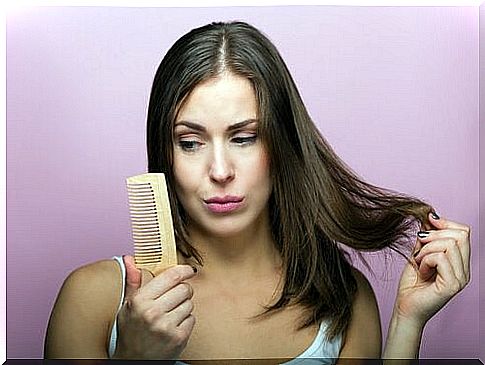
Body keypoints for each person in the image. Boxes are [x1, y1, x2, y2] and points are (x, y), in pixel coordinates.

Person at [44, 21, 471, 363]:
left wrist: (407, 323)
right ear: (165, 153)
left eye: (244, 138)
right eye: (190, 143)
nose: (219, 170)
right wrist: (134, 359)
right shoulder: (94, 299)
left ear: (281, 144)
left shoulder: (344, 300)